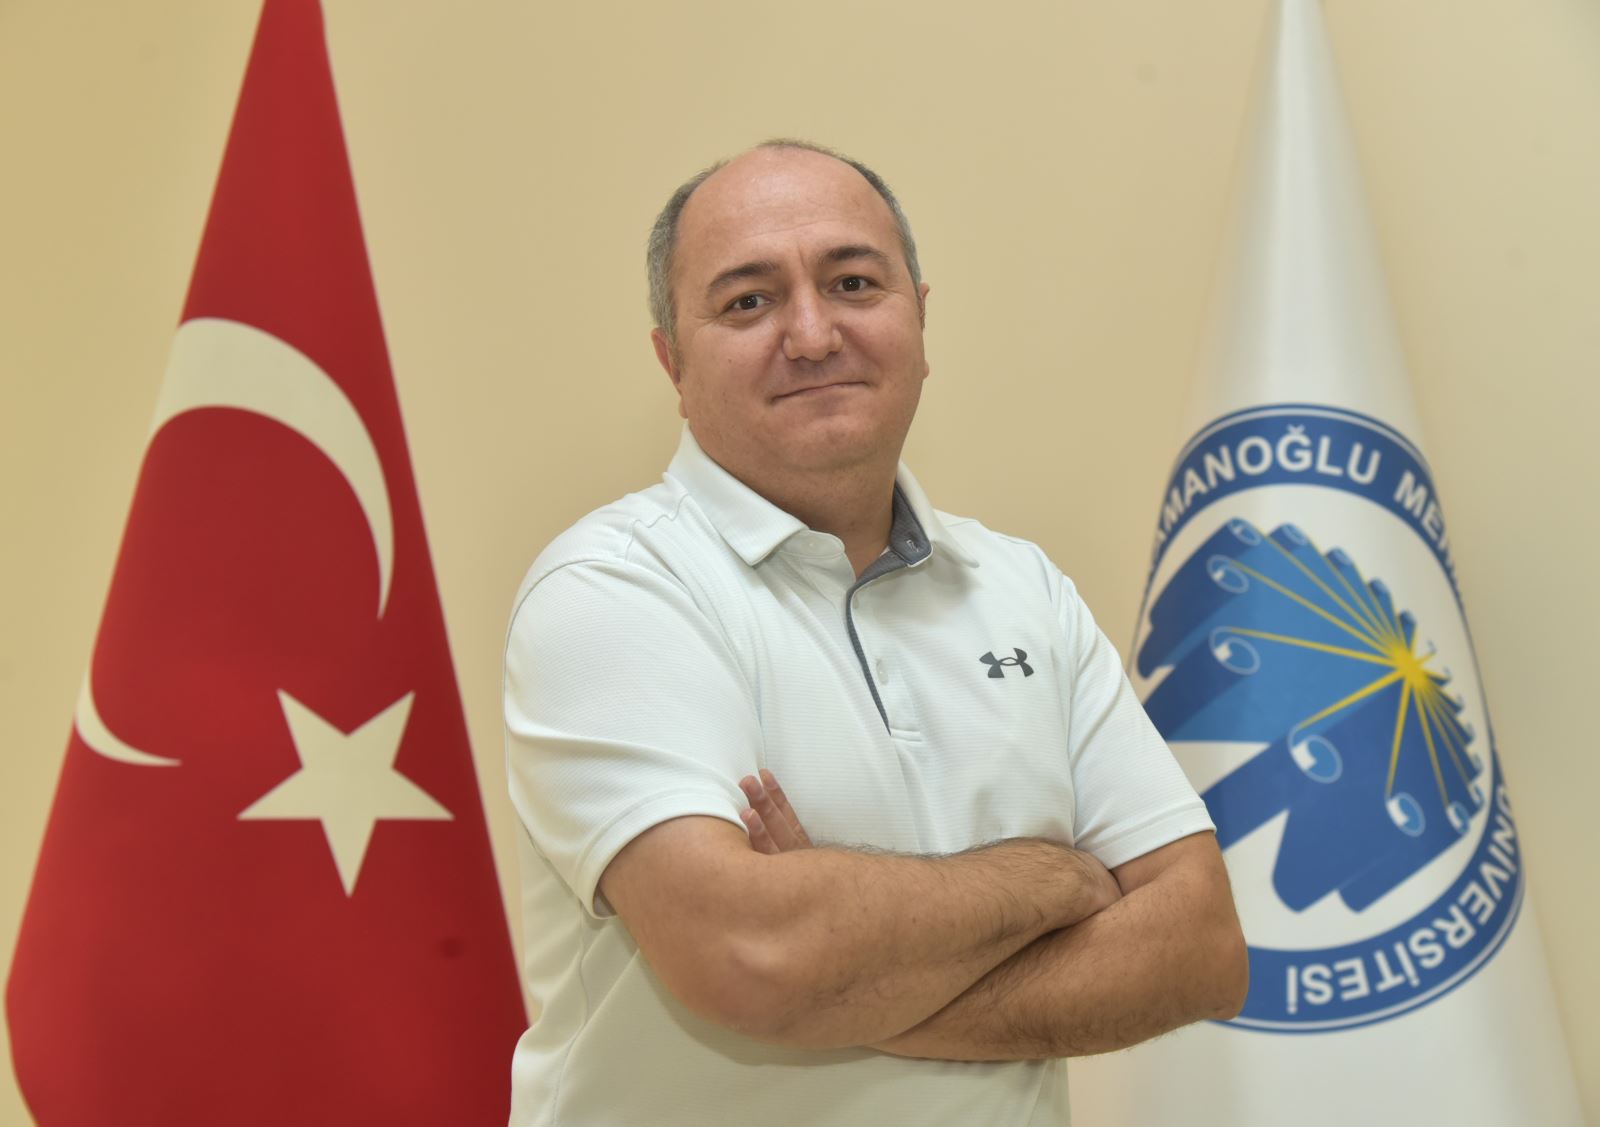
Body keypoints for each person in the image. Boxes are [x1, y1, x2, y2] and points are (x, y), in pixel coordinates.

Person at [502, 139, 1247, 1126]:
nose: (813, 334)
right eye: (748, 301)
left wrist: (840, 980)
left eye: (852, 282)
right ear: (672, 361)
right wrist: (1055, 875)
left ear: (919, 318)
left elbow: (1201, 947)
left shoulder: (1023, 587)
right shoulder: (614, 589)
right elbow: (748, 955)